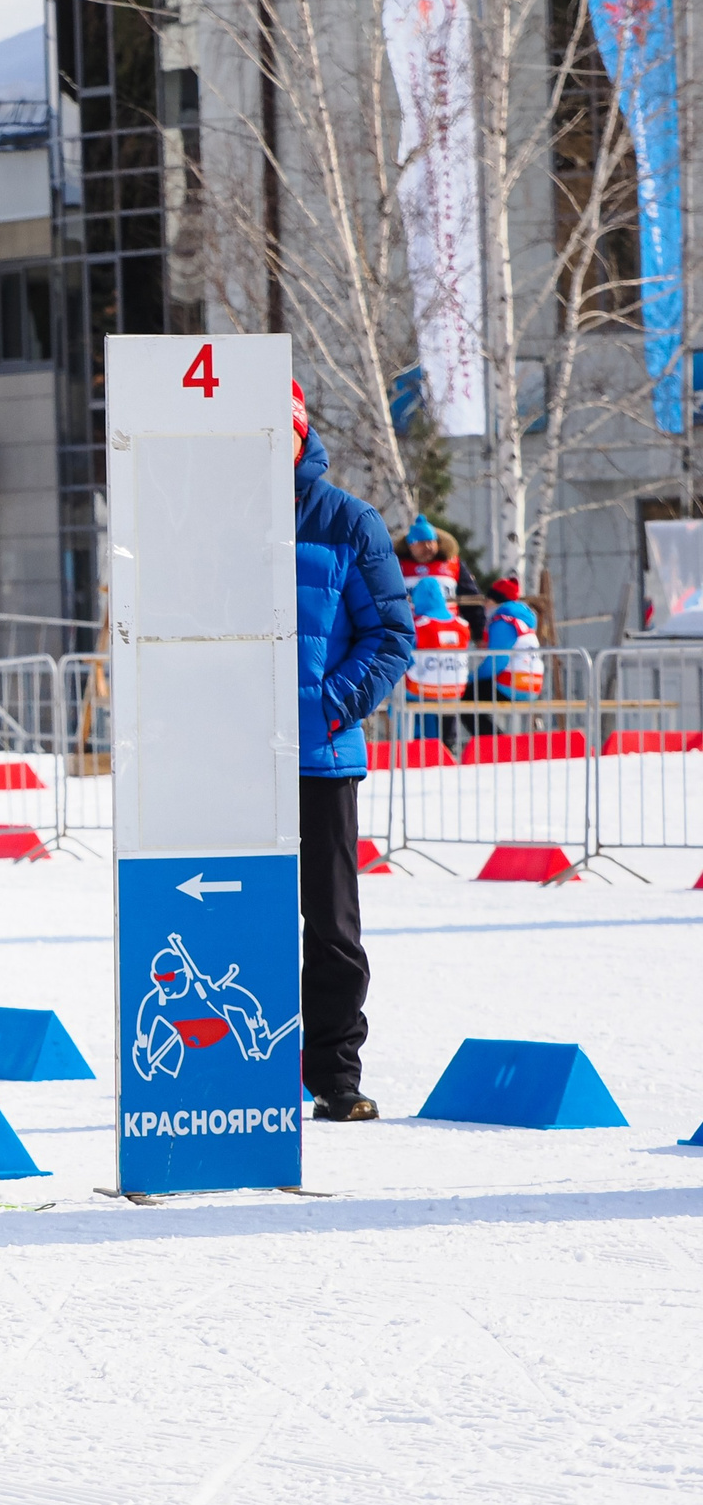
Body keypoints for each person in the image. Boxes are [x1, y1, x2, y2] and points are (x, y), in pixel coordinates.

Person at [291, 384, 414, 1123]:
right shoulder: (213, 515)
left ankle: (335, 1073)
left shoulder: (348, 520)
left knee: (332, 926)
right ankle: (251, 1065)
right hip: (233, 760)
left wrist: (328, 703)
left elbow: (392, 635)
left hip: (321, 756)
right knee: (245, 918)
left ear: (300, 436)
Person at [404, 574, 471, 747]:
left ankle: (416, 744)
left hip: (422, 689)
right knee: (440, 703)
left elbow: (406, 658)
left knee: (399, 699)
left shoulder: (420, 625)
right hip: (455, 690)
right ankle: (446, 747)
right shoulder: (462, 625)